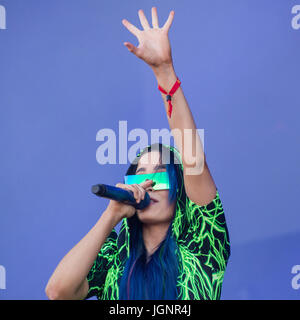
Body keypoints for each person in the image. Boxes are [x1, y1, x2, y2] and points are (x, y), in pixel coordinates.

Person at [45, 8, 230, 300]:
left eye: (159, 173)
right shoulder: (113, 256)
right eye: (140, 173)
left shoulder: (202, 243)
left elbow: (193, 160)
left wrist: (164, 70)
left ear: (179, 187)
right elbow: (58, 292)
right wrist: (111, 216)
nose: (148, 182)